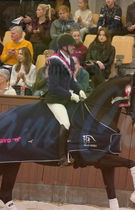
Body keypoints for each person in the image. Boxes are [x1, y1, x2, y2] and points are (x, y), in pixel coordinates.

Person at [43, 34, 84, 165]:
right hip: (55, 98)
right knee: (66, 123)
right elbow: (54, 87)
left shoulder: (70, 60)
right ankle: (61, 156)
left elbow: (71, 81)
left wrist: (79, 90)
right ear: (64, 46)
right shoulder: (55, 61)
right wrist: (70, 95)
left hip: (66, 97)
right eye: (71, 45)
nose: (73, 47)